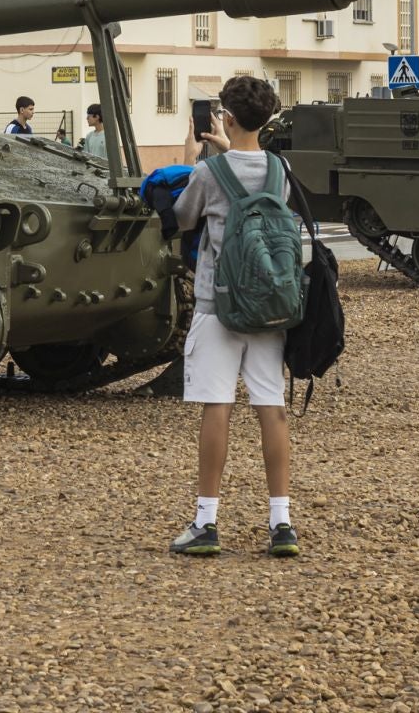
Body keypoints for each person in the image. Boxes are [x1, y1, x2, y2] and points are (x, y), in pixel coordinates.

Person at [167, 75, 298, 559]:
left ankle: (206, 522)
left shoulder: (209, 172)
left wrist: (193, 158)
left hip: (217, 305)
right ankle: (281, 523)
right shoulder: (280, 169)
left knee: (216, 405)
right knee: (271, 406)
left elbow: (183, 217)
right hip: (269, 307)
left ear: (225, 114)